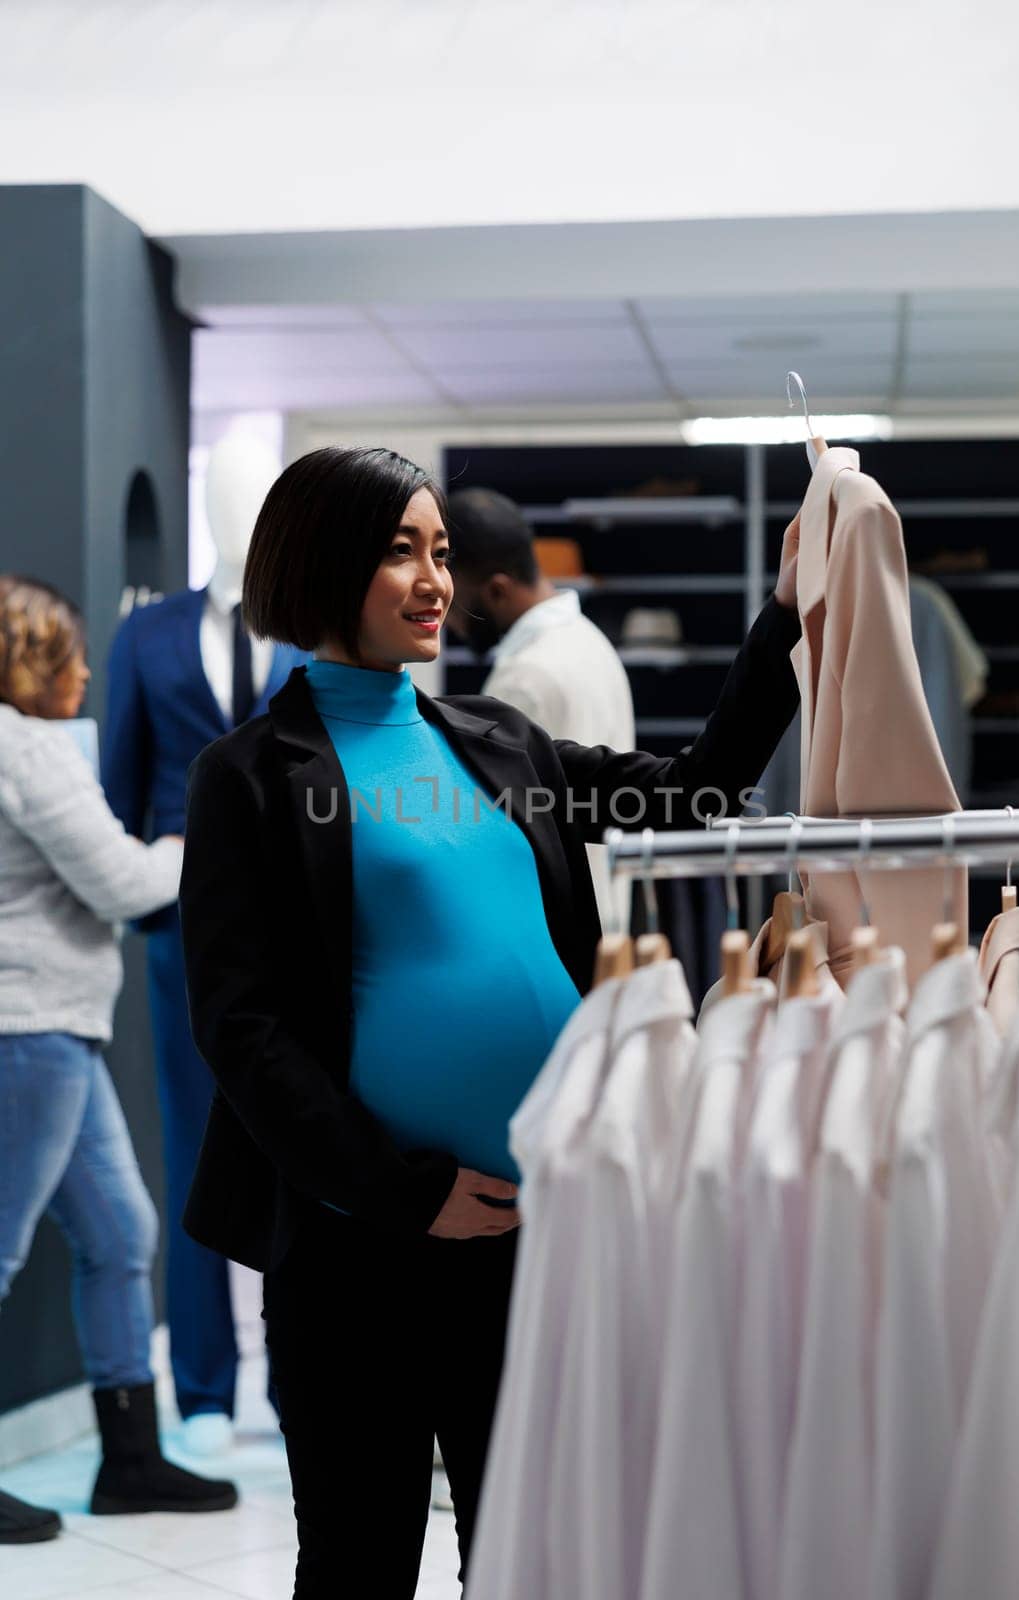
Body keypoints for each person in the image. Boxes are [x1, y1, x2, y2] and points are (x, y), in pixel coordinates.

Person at [177, 446, 802, 1599]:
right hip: (363, 1244)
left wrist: (782, 621)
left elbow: (697, 789)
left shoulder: (498, 742)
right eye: (400, 550)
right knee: (361, 1557)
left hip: (535, 1230)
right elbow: (240, 1027)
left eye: (442, 553)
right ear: (322, 566)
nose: (433, 580)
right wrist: (405, 1190)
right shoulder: (254, 775)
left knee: (529, 1557)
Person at [0, 576, 238, 1546]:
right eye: (73, 655)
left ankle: (129, 1459)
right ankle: (130, 1455)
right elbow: (121, 878)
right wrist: (199, 835)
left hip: (59, 1025)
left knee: (121, 1229)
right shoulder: (24, 750)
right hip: (30, 1026)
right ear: (32, 661)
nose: (92, 670)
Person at [447, 485, 636, 933]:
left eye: (454, 605)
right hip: (603, 917)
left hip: (552, 929)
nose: (451, 625)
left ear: (495, 591)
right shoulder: (588, 640)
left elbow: (499, 837)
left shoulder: (523, 679)